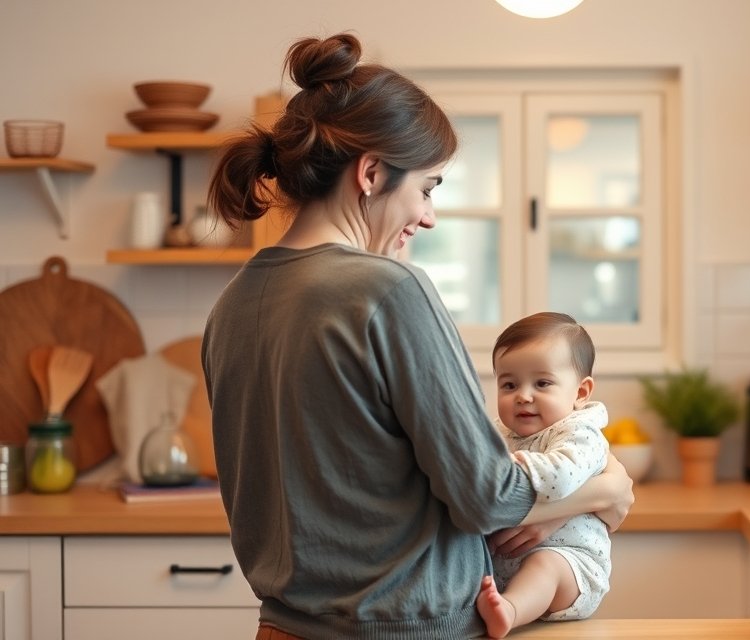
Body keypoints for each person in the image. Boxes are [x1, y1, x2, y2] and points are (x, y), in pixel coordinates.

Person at [201, 33, 633, 640]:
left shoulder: (233, 304)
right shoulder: (388, 289)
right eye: (427, 187)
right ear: (372, 173)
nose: (429, 216)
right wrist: (603, 491)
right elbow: (486, 497)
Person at [477, 312, 612, 638]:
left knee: (545, 564)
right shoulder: (501, 433)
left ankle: (509, 611)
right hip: (508, 567)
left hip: (574, 567)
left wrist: (504, 467)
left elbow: (561, 476)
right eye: (509, 384)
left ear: (580, 393)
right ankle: (502, 603)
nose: (523, 395)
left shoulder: (581, 432)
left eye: (542, 383)